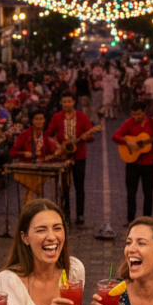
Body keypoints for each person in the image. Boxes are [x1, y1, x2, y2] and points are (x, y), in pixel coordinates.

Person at [113, 100, 153, 223]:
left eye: (139, 114)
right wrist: (127, 141)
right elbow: (115, 136)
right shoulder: (129, 123)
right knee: (131, 192)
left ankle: (146, 220)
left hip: (148, 164)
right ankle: (130, 219)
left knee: (148, 193)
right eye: (134, 114)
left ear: (144, 112)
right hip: (132, 163)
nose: (136, 117)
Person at [47, 92, 96, 225]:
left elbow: (91, 136)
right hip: (63, 157)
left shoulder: (82, 117)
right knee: (63, 187)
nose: (66, 104)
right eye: (64, 102)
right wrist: (56, 145)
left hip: (79, 156)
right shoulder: (57, 117)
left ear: (74, 102)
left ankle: (80, 214)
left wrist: (87, 137)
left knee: (79, 186)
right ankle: (65, 213)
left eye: (69, 101)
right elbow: (49, 134)